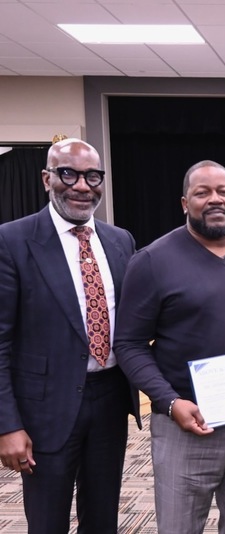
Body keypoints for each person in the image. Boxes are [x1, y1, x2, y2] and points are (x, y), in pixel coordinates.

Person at [113, 160, 225, 533]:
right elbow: (129, 344)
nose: (215, 199)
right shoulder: (152, 261)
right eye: (202, 192)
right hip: (185, 425)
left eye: (223, 192)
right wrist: (169, 401)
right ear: (185, 203)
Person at [0, 138, 140, 533]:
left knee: (102, 518)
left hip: (110, 399)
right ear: (47, 179)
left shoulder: (120, 241)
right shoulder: (12, 241)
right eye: (69, 174)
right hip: (45, 408)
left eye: (92, 176)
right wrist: (7, 425)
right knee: (48, 521)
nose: (82, 186)